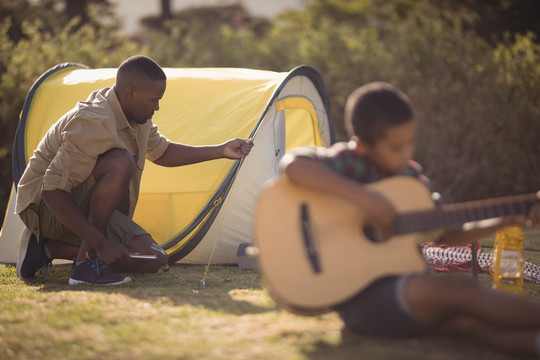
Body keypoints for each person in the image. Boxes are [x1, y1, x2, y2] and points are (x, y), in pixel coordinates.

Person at [279, 82, 540, 356]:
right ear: (363, 145)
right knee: (460, 287)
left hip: (409, 296)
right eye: (395, 147)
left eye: (410, 143)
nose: (407, 154)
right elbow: (293, 165)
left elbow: (448, 233)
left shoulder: (412, 180)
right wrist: (364, 198)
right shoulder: (351, 163)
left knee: (473, 323)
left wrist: (509, 218)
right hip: (361, 298)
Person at [15, 55, 253, 286]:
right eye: (154, 100)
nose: (157, 106)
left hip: (77, 206)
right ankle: (84, 267)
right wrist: (99, 243)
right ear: (130, 93)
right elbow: (52, 192)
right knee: (121, 161)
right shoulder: (93, 120)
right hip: (43, 209)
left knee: (153, 259)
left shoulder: (137, 116)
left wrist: (221, 150)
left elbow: (163, 152)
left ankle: (46, 249)